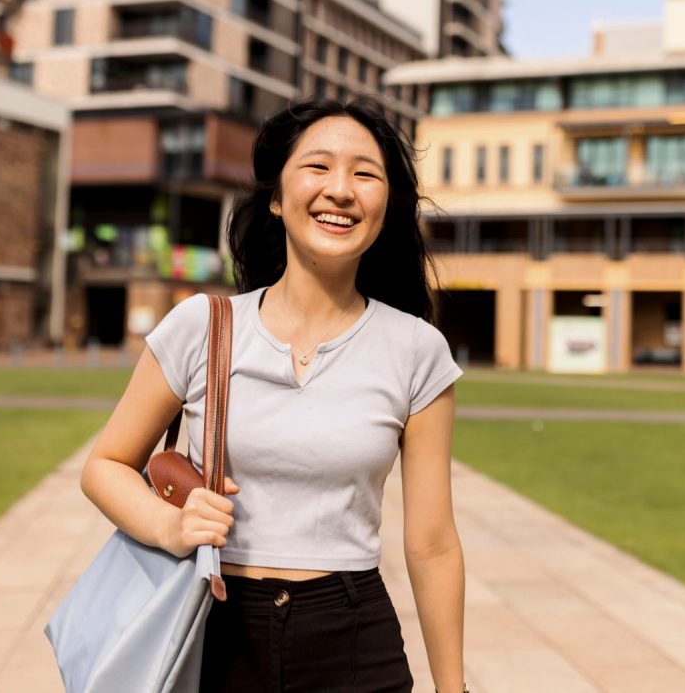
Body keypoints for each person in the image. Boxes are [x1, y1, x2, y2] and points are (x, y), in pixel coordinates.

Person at [80, 96, 469, 692]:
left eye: (365, 174)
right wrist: (169, 526)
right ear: (275, 197)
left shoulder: (417, 350)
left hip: (353, 637)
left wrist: (453, 689)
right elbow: (105, 466)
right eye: (318, 167)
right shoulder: (200, 327)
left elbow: (434, 543)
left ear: (386, 205)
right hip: (212, 625)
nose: (341, 189)